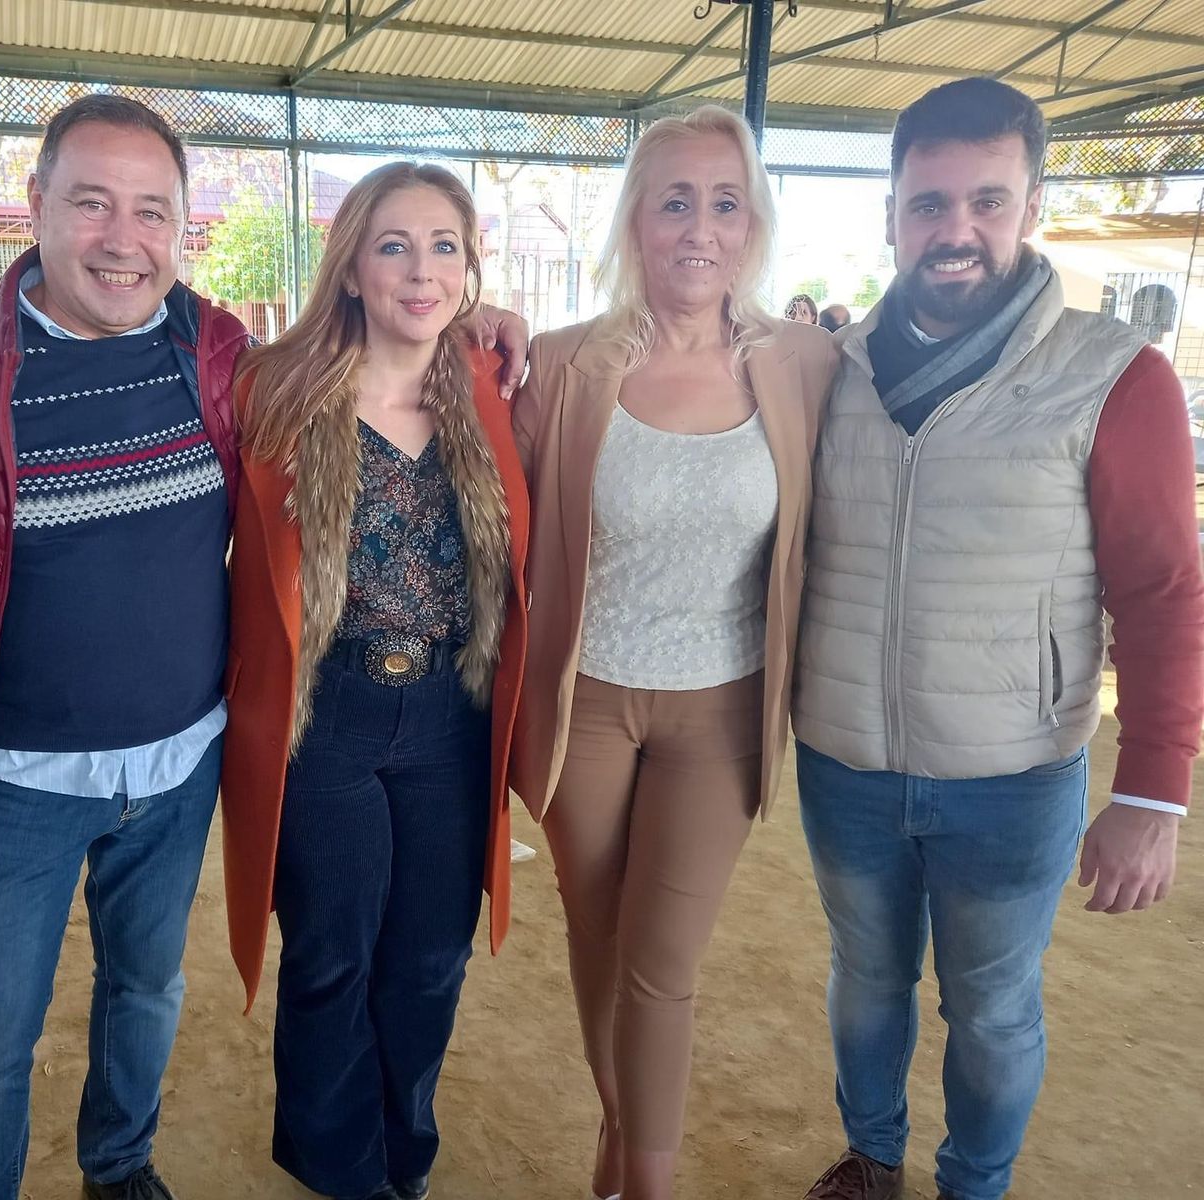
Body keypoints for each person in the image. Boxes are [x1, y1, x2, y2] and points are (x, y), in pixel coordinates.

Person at [0, 94, 529, 1200]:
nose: (120, 235)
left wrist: (491, 324)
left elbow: (398, 348)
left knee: (146, 991)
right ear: (35, 206)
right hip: (15, 782)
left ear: (181, 227)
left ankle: (120, 1163)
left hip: (182, 763)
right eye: (90, 201)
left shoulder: (219, 356)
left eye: (152, 210)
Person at [792, 78, 1204, 1200]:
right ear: (889, 213)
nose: (955, 229)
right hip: (845, 762)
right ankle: (871, 1153)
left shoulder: (1113, 376)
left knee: (991, 1004)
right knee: (865, 978)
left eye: (987, 200)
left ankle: (975, 1183)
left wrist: (1151, 792)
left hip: (1013, 777)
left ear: (1030, 207)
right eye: (929, 204)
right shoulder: (828, 371)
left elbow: (1165, 588)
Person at [509, 106, 840, 1200]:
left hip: (720, 713)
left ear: (753, 225)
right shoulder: (558, 367)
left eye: (724, 201)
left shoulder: (807, 367)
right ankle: (616, 1152)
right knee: (600, 950)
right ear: (636, 224)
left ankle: (639, 1184)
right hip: (585, 708)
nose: (700, 226)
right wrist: (477, 320)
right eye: (674, 200)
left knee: (659, 970)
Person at [221, 162, 530, 1200]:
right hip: (329, 717)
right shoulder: (272, 390)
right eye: (393, 244)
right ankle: (340, 1172)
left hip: (451, 716)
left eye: (445, 245)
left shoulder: (490, 385)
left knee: (428, 964)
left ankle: (405, 1159)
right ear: (350, 267)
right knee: (329, 960)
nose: (421, 268)